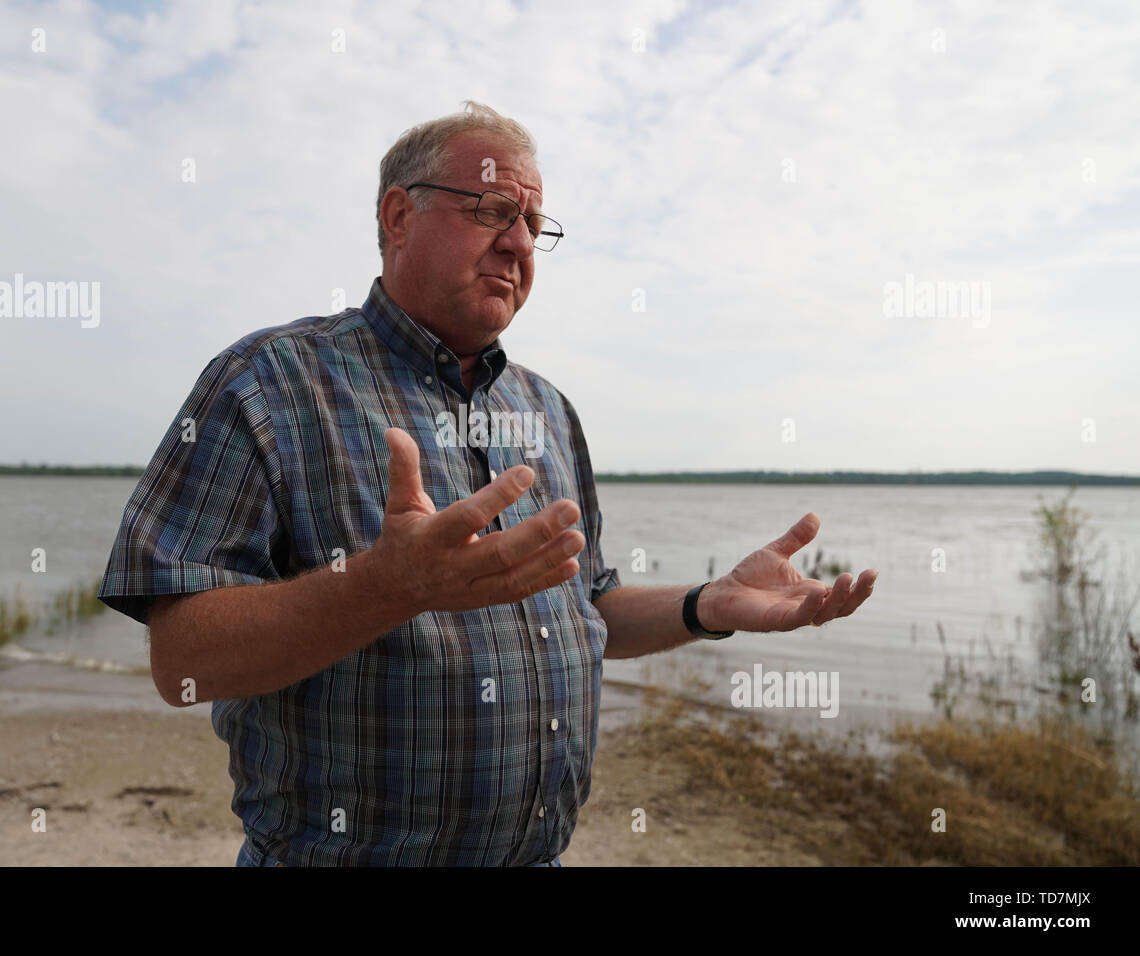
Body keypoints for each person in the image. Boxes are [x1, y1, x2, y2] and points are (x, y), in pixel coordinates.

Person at [96, 101, 878, 867]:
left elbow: (590, 605)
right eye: (493, 210)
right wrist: (387, 586)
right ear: (398, 216)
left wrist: (703, 605)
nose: (518, 244)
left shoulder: (546, 409)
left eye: (534, 225)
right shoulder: (269, 384)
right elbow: (182, 661)